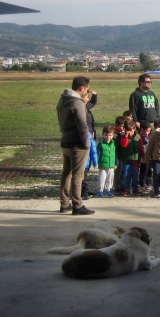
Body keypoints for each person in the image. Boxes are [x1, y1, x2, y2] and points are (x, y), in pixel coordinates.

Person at [56, 75, 95, 215]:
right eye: (87, 90)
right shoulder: (77, 103)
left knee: (66, 173)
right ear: (82, 88)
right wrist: (87, 144)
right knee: (78, 175)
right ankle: (77, 205)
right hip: (77, 143)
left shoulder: (63, 100)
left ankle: (64, 203)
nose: (87, 92)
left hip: (65, 140)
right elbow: (82, 126)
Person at [118, 120, 142, 196]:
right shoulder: (123, 137)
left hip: (136, 160)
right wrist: (126, 136)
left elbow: (141, 147)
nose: (130, 132)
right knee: (126, 175)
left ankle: (135, 189)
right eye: (128, 131)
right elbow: (124, 145)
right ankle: (127, 189)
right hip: (126, 160)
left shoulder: (138, 137)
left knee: (135, 175)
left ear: (134, 129)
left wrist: (143, 156)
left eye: (131, 130)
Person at [96, 125, 117, 198]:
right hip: (102, 165)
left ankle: (108, 190)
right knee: (102, 178)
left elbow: (115, 154)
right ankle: (100, 191)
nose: (108, 137)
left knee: (110, 178)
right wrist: (96, 163)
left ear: (113, 135)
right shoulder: (101, 144)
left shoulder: (114, 144)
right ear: (103, 135)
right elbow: (97, 154)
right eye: (106, 135)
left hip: (111, 165)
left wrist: (116, 163)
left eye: (110, 135)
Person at [138, 121, 153, 191]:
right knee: (143, 170)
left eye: (149, 131)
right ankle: (142, 183)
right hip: (144, 157)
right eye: (147, 131)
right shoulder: (140, 137)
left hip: (149, 156)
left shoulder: (150, 136)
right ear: (142, 130)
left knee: (149, 170)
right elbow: (141, 148)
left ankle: (148, 182)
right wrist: (144, 156)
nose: (148, 132)